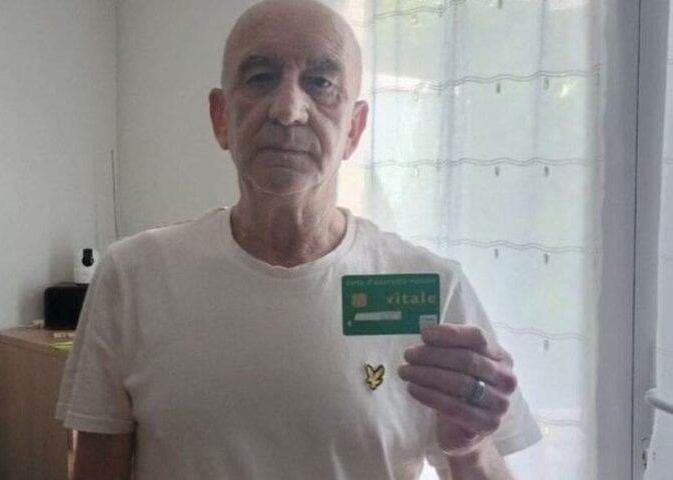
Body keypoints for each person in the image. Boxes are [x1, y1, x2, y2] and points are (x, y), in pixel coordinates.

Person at [55, 0, 542, 478]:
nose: (288, 110)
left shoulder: (433, 288)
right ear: (221, 118)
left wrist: (471, 449)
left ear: (353, 130)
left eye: (321, 83)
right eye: (260, 77)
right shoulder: (134, 277)